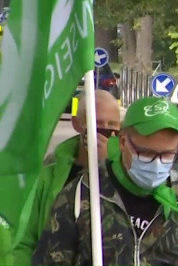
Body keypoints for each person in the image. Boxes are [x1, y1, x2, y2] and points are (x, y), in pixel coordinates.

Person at [32, 96, 178, 265]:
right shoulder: (83, 194)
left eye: (167, 155)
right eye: (146, 153)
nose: (157, 163)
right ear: (123, 142)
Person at [14, 90, 121, 264]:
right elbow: (25, 238)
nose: (104, 131)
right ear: (77, 124)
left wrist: (107, 165)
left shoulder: (127, 173)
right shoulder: (49, 175)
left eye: (112, 124)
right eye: (96, 123)